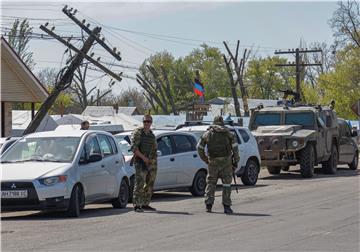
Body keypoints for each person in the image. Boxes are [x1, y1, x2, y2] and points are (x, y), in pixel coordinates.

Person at [197, 116, 240, 214]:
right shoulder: (229, 134)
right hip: (226, 163)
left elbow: (199, 148)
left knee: (211, 183)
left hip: (212, 163)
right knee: (226, 184)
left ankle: (208, 205)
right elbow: (235, 149)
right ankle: (226, 206)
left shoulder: (207, 134)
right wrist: (236, 162)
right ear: (222, 123)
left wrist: (206, 159)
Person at [130, 115, 158, 212]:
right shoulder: (138, 133)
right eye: (145, 121)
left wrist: (152, 161)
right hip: (140, 161)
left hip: (150, 162)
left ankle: (145, 203)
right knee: (140, 183)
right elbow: (134, 148)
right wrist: (143, 158)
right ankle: (137, 205)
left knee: (150, 183)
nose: (147, 123)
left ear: (151, 123)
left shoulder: (151, 134)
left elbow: (154, 149)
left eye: (148, 122)